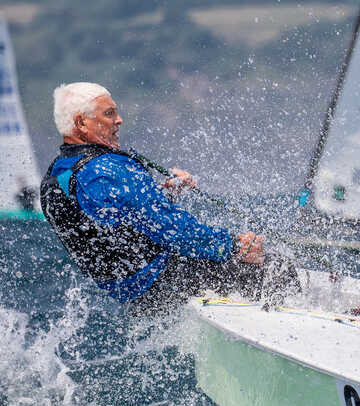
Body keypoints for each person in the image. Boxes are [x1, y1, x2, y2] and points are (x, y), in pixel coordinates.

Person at [41, 82, 290, 312]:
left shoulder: (60, 169)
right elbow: (173, 230)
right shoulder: (105, 169)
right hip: (160, 280)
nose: (119, 120)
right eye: (109, 114)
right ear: (81, 123)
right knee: (277, 268)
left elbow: (102, 212)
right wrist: (235, 245)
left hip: (128, 292)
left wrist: (160, 191)